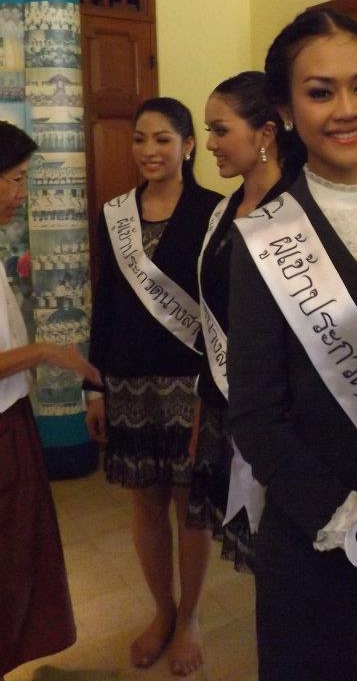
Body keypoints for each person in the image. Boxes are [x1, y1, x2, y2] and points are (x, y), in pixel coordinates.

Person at [226, 10, 357, 681]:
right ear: (284, 108)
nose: (347, 110)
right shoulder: (266, 237)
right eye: (320, 91)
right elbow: (256, 419)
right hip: (324, 552)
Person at [85, 98, 221, 676]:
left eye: (162, 139)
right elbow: (107, 302)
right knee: (146, 505)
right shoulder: (114, 214)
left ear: (188, 145)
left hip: (191, 383)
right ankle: (161, 610)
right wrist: (96, 387)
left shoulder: (217, 212)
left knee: (192, 509)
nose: (148, 151)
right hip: (130, 381)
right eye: (139, 139)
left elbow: (221, 311)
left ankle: (188, 618)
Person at [0, 120, 102, 678]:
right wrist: (42, 352)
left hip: (12, 417)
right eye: (15, 180)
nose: (21, 193)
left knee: (20, 562)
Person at [187, 71, 297, 569]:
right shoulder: (224, 210)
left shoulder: (297, 211)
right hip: (223, 407)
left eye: (220, 129)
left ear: (266, 134)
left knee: (283, 554)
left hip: (280, 415)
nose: (209, 143)